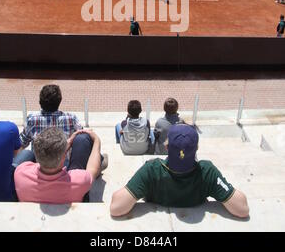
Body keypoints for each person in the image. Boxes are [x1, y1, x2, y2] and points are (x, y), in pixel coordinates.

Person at [110, 124, 250, 219]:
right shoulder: (207, 171)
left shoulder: (152, 170)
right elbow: (242, 209)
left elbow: (116, 208)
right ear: (197, 148)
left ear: (167, 147)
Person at [14, 127, 107, 204]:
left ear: (37, 155)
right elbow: (93, 169)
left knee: (27, 153)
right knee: (82, 142)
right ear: (63, 157)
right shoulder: (80, 180)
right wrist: (96, 141)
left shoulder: (20, 172)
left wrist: (68, 142)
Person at [14, 85, 82, 167]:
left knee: (27, 153)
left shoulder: (32, 119)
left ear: (40, 102)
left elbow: (22, 142)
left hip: (39, 165)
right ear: (59, 101)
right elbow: (82, 138)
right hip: (63, 164)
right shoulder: (71, 118)